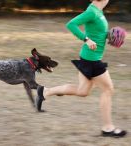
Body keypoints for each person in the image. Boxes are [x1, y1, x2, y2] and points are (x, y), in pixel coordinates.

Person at [35, 0, 127, 138]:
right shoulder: (92, 11)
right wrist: (86, 39)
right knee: (108, 89)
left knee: (82, 91)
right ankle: (108, 128)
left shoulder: (98, 11)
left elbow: (96, 30)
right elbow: (71, 24)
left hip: (89, 58)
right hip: (92, 60)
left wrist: (109, 35)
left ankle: (46, 91)